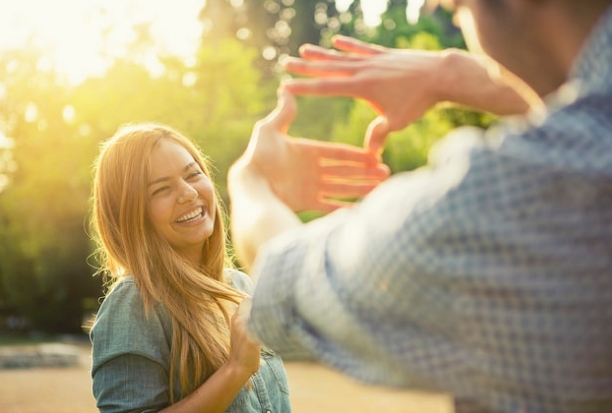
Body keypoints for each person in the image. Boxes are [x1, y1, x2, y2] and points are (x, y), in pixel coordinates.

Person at [227, 1, 612, 412]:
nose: (458, 24)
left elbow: (285, 279)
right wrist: (459, 75)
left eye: (454, 7)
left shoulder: (515, 199)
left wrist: (251, 184)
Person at [89, 123, 306, 413]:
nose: (189, 193)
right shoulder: (134, 302)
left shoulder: (240, 286)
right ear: (132, 212)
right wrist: (235, 369)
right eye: (162, 189)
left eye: (193, 174)